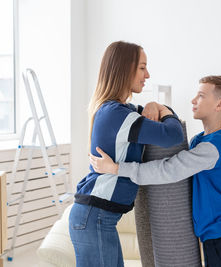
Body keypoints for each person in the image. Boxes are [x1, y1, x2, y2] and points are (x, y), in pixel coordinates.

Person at [90, 75, 221, 267]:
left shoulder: (215, 146)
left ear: (220, 104)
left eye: (201, 96)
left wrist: (116, 169)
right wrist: (156, 106)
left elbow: (169, 170)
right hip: (217, 236)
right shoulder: (202, 140)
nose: (193, 100)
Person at [69, 40, 184, 267]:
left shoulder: (121, 111)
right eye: (142, 67)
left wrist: (153, 104)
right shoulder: (118, 115)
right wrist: (165, 110)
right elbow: (172, 134)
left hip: (98, 218)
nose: (147, 74)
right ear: (124, 69)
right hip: (95, 217)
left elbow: (156, 120)